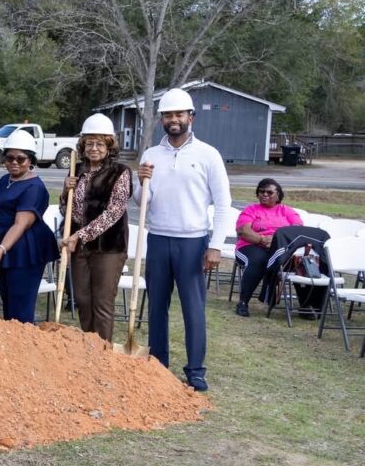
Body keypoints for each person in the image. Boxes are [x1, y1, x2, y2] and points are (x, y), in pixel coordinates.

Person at [135, 87, 233, 392]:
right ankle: (158, 364)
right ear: (162, 119)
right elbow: (142, 201)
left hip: (192, 241)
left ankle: (195, 370)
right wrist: (141, 182)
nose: (173, 119)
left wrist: (215, 244)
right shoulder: (152, 155)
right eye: (168, 115)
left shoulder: (208, 154)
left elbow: (223, 202)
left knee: (193, 308)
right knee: (156, 306)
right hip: (159, 238)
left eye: (179, 114)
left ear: (190, 117)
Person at [60, 114, 132, 341]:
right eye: (89, 143)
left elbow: (114, 212)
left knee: (102, 302)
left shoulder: (120, 172)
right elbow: (66, 210)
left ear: (109, 145)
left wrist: (80, 235)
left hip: (108, 247)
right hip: (80, 248)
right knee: (82, 299)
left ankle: (103, 354)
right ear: (82, 145)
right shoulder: (76, 170)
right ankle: (88, 347)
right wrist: (65, 191)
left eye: (100, 143)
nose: (93, 148)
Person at [0, 130, 60, 324]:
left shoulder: (34, 187)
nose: (14, 162)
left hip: (24, 250)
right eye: (9, 158)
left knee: (20, 308)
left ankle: (25, 348)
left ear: (31, 160)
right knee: (8, 303)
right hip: (3, 245)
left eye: (21, 158)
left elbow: (21, 223)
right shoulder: (4, 181)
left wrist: (2, 248)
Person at [233, 178, 302, 317]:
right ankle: (243, 302)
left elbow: (298, 230)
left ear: (278, 195)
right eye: (261, 191)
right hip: (250, 246)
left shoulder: (287, 211)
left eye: (269, 192)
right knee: (259, 261)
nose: (264, 194)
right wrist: (263, 239)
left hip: (279, 248)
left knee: (300, 263)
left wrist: (277, 241)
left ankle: (308, 306)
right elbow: (244, 231)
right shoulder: (250, 210)